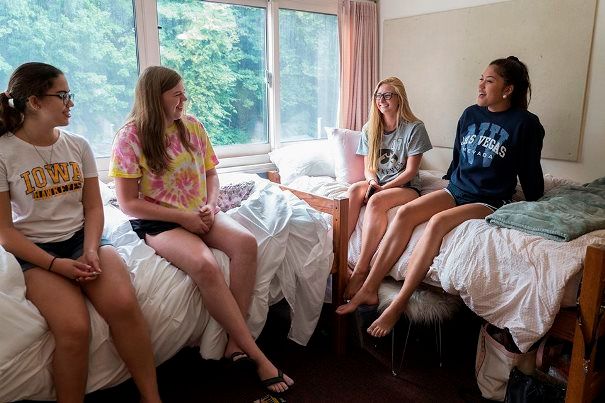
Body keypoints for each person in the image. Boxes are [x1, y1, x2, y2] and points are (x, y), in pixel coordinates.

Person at [109, 66, 293, 394]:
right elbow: (127, 203)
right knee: (206, 265)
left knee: (246, 243)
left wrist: (210, 204)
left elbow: (211, 174)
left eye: (184, 92)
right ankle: (255, 352)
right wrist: (182, 219)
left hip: (200, 211)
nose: (184, 99)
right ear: (155, 97)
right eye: (176, 94)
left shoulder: (193, 127)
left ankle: (234, 341)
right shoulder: (131, 136)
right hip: (160, 221)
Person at [336, 56, 545, 338]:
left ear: (508, 89)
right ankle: (370, 287)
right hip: (456, 189)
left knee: (436, 223)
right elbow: (458, 159)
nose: (480, 86)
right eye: (481, 79)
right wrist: (451, 181)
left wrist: (534, 199)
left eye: (489, 81)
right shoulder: (470, 114)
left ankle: (399, 303)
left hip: (488, 198)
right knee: (407, 214)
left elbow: (531, 172)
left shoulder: (526, 124)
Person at [0, 62, 161, 403]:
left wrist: (90, 250)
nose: (70, 102)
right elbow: (5, 232)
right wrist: (56, 265)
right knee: (74, 330)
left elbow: (92, 207)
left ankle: (152, 398)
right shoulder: (4, 152)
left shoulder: (78, 145)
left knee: (124, 305)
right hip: (36, 250)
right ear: (34, 102)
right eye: (63, 95)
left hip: (81, 239)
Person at [344, 77, 432, 300]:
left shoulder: (414, 128)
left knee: (375, 202)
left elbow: (411, 171)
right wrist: (373, 182)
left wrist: (383, 190)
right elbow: (369, 167)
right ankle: (340, 253)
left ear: (399, 98)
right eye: (378, 96)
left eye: (387, 95)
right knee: (355, 191)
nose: (381, 100)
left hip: (405, 186)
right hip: (380, 183)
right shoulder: (370, 128)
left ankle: (362, 267)